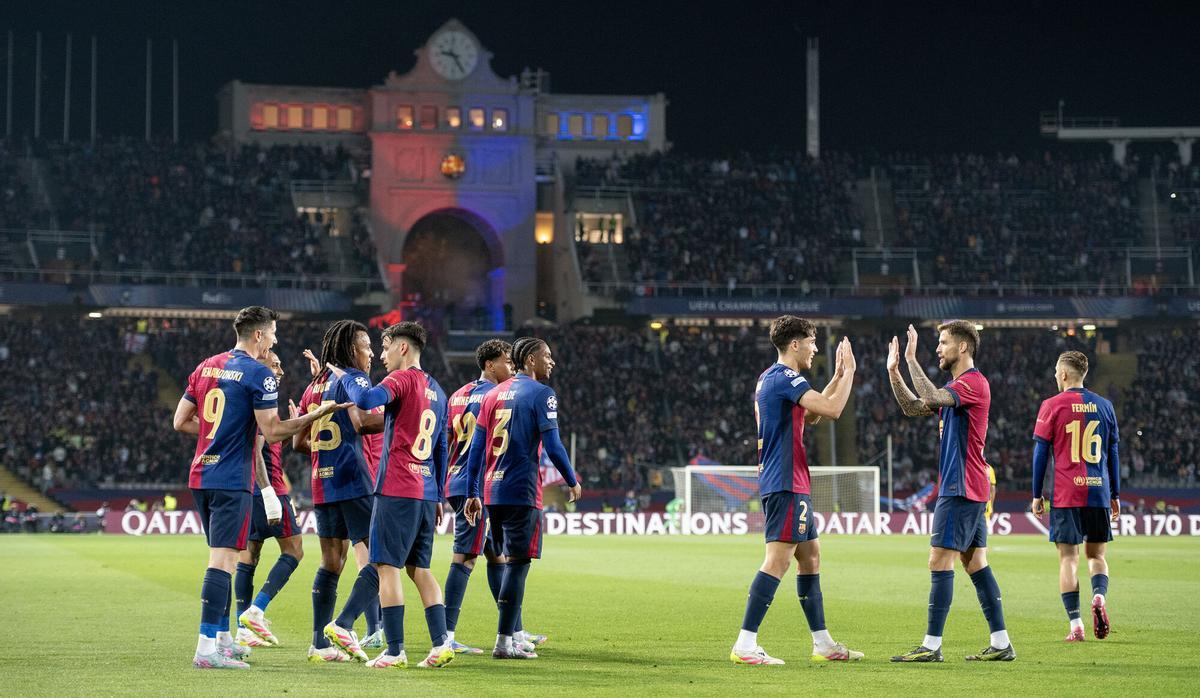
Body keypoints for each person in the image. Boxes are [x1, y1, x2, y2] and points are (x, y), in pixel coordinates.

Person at [172, 305, 349, 670]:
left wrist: (218, 437)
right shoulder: (258, 374)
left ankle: (223, 639)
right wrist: (312, 416)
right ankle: (206, 649)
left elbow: (180, 422)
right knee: (221, 562)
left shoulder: (206, 365)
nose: (275, 340)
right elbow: (273, 432)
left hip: (201, 475)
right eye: (272, 334)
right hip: (232, 479)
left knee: (226, 557)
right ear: (258, 335)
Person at [729, 315, 862, 666]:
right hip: (785, 481)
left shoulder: (771, 379)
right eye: (812, 342)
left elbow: (814, 415)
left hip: (791, 480)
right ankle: (745, 644)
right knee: (778, 560)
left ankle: (823, 643)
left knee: (810, 557)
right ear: (795, 344)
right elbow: (832, 410)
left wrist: (834, 377)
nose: (815, 348)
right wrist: (848, 373)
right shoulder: (786, 377)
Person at [326, 321, 457, 669]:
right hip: (426, 492)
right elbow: (442, 447)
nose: (381, 355)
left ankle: (395, 650)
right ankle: (441, 643)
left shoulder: (401, 380)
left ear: (403, 348)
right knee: (420, 569)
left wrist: (348, 375)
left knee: (385, 567)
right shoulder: (437, 389)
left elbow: (367, 399)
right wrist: (439, 496)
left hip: (397, 488)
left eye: (385, 348)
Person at [888, 322, 1015, 662]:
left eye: (943, 343)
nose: (938, 348)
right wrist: (894, 371)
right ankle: (1002, 643)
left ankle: (931, 646)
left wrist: (912, 359)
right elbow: (913, 407)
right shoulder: (956, 387)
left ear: (962, 348)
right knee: (975, 563)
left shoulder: (973, 382)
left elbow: (929, 396)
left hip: (959, 485)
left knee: (939, 559)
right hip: (967, 484)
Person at [463, 336, 582, 660]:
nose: (551, 362)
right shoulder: (543, 394)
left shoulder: (493, 394)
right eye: (547, 355)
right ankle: (505, 641)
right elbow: (554, 446)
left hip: (492, 491)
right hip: (521, 490)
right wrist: (572, 480)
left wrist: (473, 492)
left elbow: (476, 450)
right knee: (518, 564)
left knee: (504, 562)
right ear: (530, 359)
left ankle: (511, 635)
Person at [294, 321, 384, 663]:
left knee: (331, 562)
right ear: (351, 350)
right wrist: (406, 413)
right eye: (366, 346)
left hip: (322, 481)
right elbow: (363, 423)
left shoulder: (313, 387)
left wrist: (323, 453)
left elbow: (297, 441)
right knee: (381, 558)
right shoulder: (353, 380)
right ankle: (345, 625)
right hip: (354, 478)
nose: (371, 353)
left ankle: (319, 644)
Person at [1030, 350, 1120, 641]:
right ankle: (1099, 597)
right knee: (1097, 555)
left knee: (1069, 558)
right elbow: (1113, 454)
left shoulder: (1051, 405)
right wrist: (1115, 493)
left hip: (1066, 492)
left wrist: (1036, 494)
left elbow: (1040, 453)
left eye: (1057, 372)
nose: (1056, 377)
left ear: (1065, 374)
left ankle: (1076, 626)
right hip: (1098, 492)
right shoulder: (1106, 407)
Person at [235, 351, 305, 649]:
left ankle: (242, 627)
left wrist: (294, 424)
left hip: (249, 490)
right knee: (295, 550)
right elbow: (256, 449)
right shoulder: (261, 400)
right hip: (267, 490)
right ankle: (257, 609)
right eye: (274, 364)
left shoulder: (252, 400)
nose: (280, 369)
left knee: (249, 556)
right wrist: (269, 494)